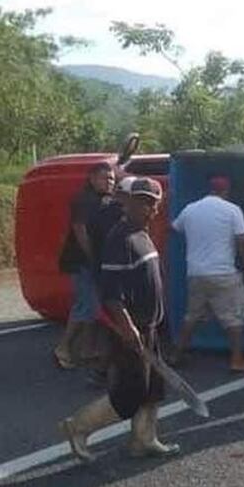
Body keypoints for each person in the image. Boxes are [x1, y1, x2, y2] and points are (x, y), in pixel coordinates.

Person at [58, 178, 180, 462]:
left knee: (152, 389)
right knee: (129, 393)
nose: (148, 207)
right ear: (129, 202)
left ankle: (144, 440)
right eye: (142, 201)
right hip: (130, 329)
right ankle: (77, 427)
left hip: (148, 326)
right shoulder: (120, 239)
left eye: (153, 202)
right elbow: (112, 295)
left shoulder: (142, 234)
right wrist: (128, 329)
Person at [170, 174, 244, 371]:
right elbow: (243, 240)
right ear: (226, 191)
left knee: (192, 316)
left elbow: (173, 229)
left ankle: (176, 355)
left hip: (196, 273)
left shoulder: (190, 209)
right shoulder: (232, 210)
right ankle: (237, 360)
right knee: (234, 318)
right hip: (223, 273)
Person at [54, 161, 116, 387]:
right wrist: (93, 258)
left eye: (111, 178)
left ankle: (88, 348)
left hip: (93, 262)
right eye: (104, 178)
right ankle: (63, 348)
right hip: (81, 261)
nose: (109, 182)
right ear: (92, 179)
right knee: (85, 306)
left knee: (93, 307)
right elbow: (80, 231)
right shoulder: (84, 200)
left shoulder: (105, 200)